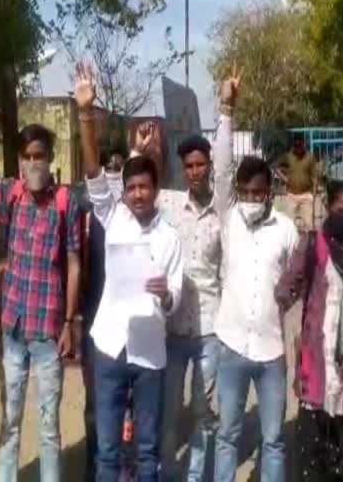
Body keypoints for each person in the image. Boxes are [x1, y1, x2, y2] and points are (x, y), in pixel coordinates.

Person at [0, 78, 81, 482]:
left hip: (47, 334)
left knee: (47, 429)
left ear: (49, 157)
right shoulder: (9, 193)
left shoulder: (65, 202)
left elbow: (74, 263)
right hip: (13, 331)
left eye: (39, 155)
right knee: (9, 424)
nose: (32, 163)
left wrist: (69, 323)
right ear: (20, 160)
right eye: (26, 156)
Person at [75, 64, 184, 482]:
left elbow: (173, 300)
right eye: (132, 187)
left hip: (149, 355)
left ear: (155, 190)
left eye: (145, 187)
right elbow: (92, 174)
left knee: (146, 450)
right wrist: (87, 113)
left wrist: (166, 295)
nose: (138, 193)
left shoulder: (170, 237)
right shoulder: (113, 217)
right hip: (108, 348)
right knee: (106, 452)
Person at [212, 66, 299, 482]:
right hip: (230, 346)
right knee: (227, 434)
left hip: (271, 353)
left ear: (270, 193)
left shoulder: (286, 230)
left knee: (274, 439)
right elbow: (222, 169)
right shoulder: (227, 217)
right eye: (244, 191)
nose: (250, 198)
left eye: (258, 192)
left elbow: (296, 286)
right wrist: (227, 110)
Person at [130, 129, 225, 479]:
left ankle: (196, 475)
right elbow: (137, 189)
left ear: (210, 166)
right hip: (172, 330)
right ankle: (169, 473)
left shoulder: (223, 212)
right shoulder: (169, 204)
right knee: (169, 411)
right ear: (183, 170)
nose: (195, 171)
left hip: (209, 330)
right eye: (189, 166)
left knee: (203, 412)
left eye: (201, 164)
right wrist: (139, 151)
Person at [275, 179, 343, 481]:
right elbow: (286, 288)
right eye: (339, 210)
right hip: (317, 361)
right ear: (328, 209)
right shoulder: (312, 245)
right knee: (313, 456)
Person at [78, 146, 129, 482]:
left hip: (128, 323)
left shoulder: (130, 211)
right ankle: (92, 467)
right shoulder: (85, 209)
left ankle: (126, 469)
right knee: (96, 403)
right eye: (107, 165)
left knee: (130, 404)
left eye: (118, 165)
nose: (112, 170)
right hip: (93, 321)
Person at [275, 133, 318, 232]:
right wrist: (285, 179)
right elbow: (276, 167)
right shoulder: (288, 157)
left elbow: (314, 177)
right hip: (291, 196)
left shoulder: (310, 157)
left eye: (300, 145)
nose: (298, 148)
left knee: (309, 225)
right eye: (296, 146)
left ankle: (308, 246)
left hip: (306, 196)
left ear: (304, 144)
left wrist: (313, 196)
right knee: (289, 225)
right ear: (293, 145)